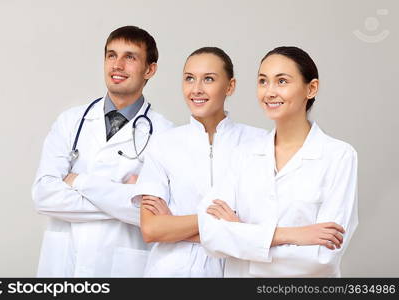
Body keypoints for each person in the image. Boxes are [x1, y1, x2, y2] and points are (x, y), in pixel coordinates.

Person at [198, 46, 358, 277]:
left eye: (282, 81)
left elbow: (323, 257)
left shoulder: (338, 156)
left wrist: (241, 234)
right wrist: (290, 235)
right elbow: (211, 235)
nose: (269, 92)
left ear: (311, 88)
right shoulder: (243, 154)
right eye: (263, 81)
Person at [32, 26, 173, 277]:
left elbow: (157, 216)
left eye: (130, 57)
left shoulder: (165, 135)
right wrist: (125, 196)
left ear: (149, 69)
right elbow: (43, 195)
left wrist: (80, 181)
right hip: (64, 264)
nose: (117, 65)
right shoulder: (70, 121)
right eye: (111, 55)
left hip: (122, 268)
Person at [131, 47, 268, 277]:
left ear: (230, 86)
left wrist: (174, 224)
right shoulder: (164, 144)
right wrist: (229, 227)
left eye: (208, 79)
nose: (196, 89)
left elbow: (264, 230)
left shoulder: (260, 143)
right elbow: (152, 228)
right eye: (189, 79)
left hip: (237, 271)